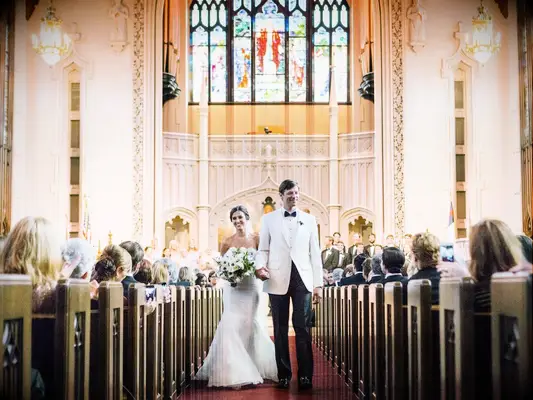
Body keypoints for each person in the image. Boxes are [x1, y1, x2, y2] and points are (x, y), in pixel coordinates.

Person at [195, 205, 277, 388]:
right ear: (231, 221)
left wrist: (261, 273)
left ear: (247, 218)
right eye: (234, 219)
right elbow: (222, 267)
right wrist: (230, 274)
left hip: (252, 288)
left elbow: (265, 262)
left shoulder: (257, 239)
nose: (238, 221)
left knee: (248, 327)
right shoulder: (226, 242)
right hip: (233, 290)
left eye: (240, 217)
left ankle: (251, 365)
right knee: (230, 325)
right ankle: (235, 371)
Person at [255, 179, 323, 391]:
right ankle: (283, 374)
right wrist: (260, 267)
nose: (293, 196)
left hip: (303, 279)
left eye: (296, 193)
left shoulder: (310, 220)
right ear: (281, 196)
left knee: (303, 328)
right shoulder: (268, 219)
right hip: (277, 278)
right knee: (280, 328)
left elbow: (315, 254)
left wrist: (318, 284)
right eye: (289, 193)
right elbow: (263, 250)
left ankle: (305, 376)